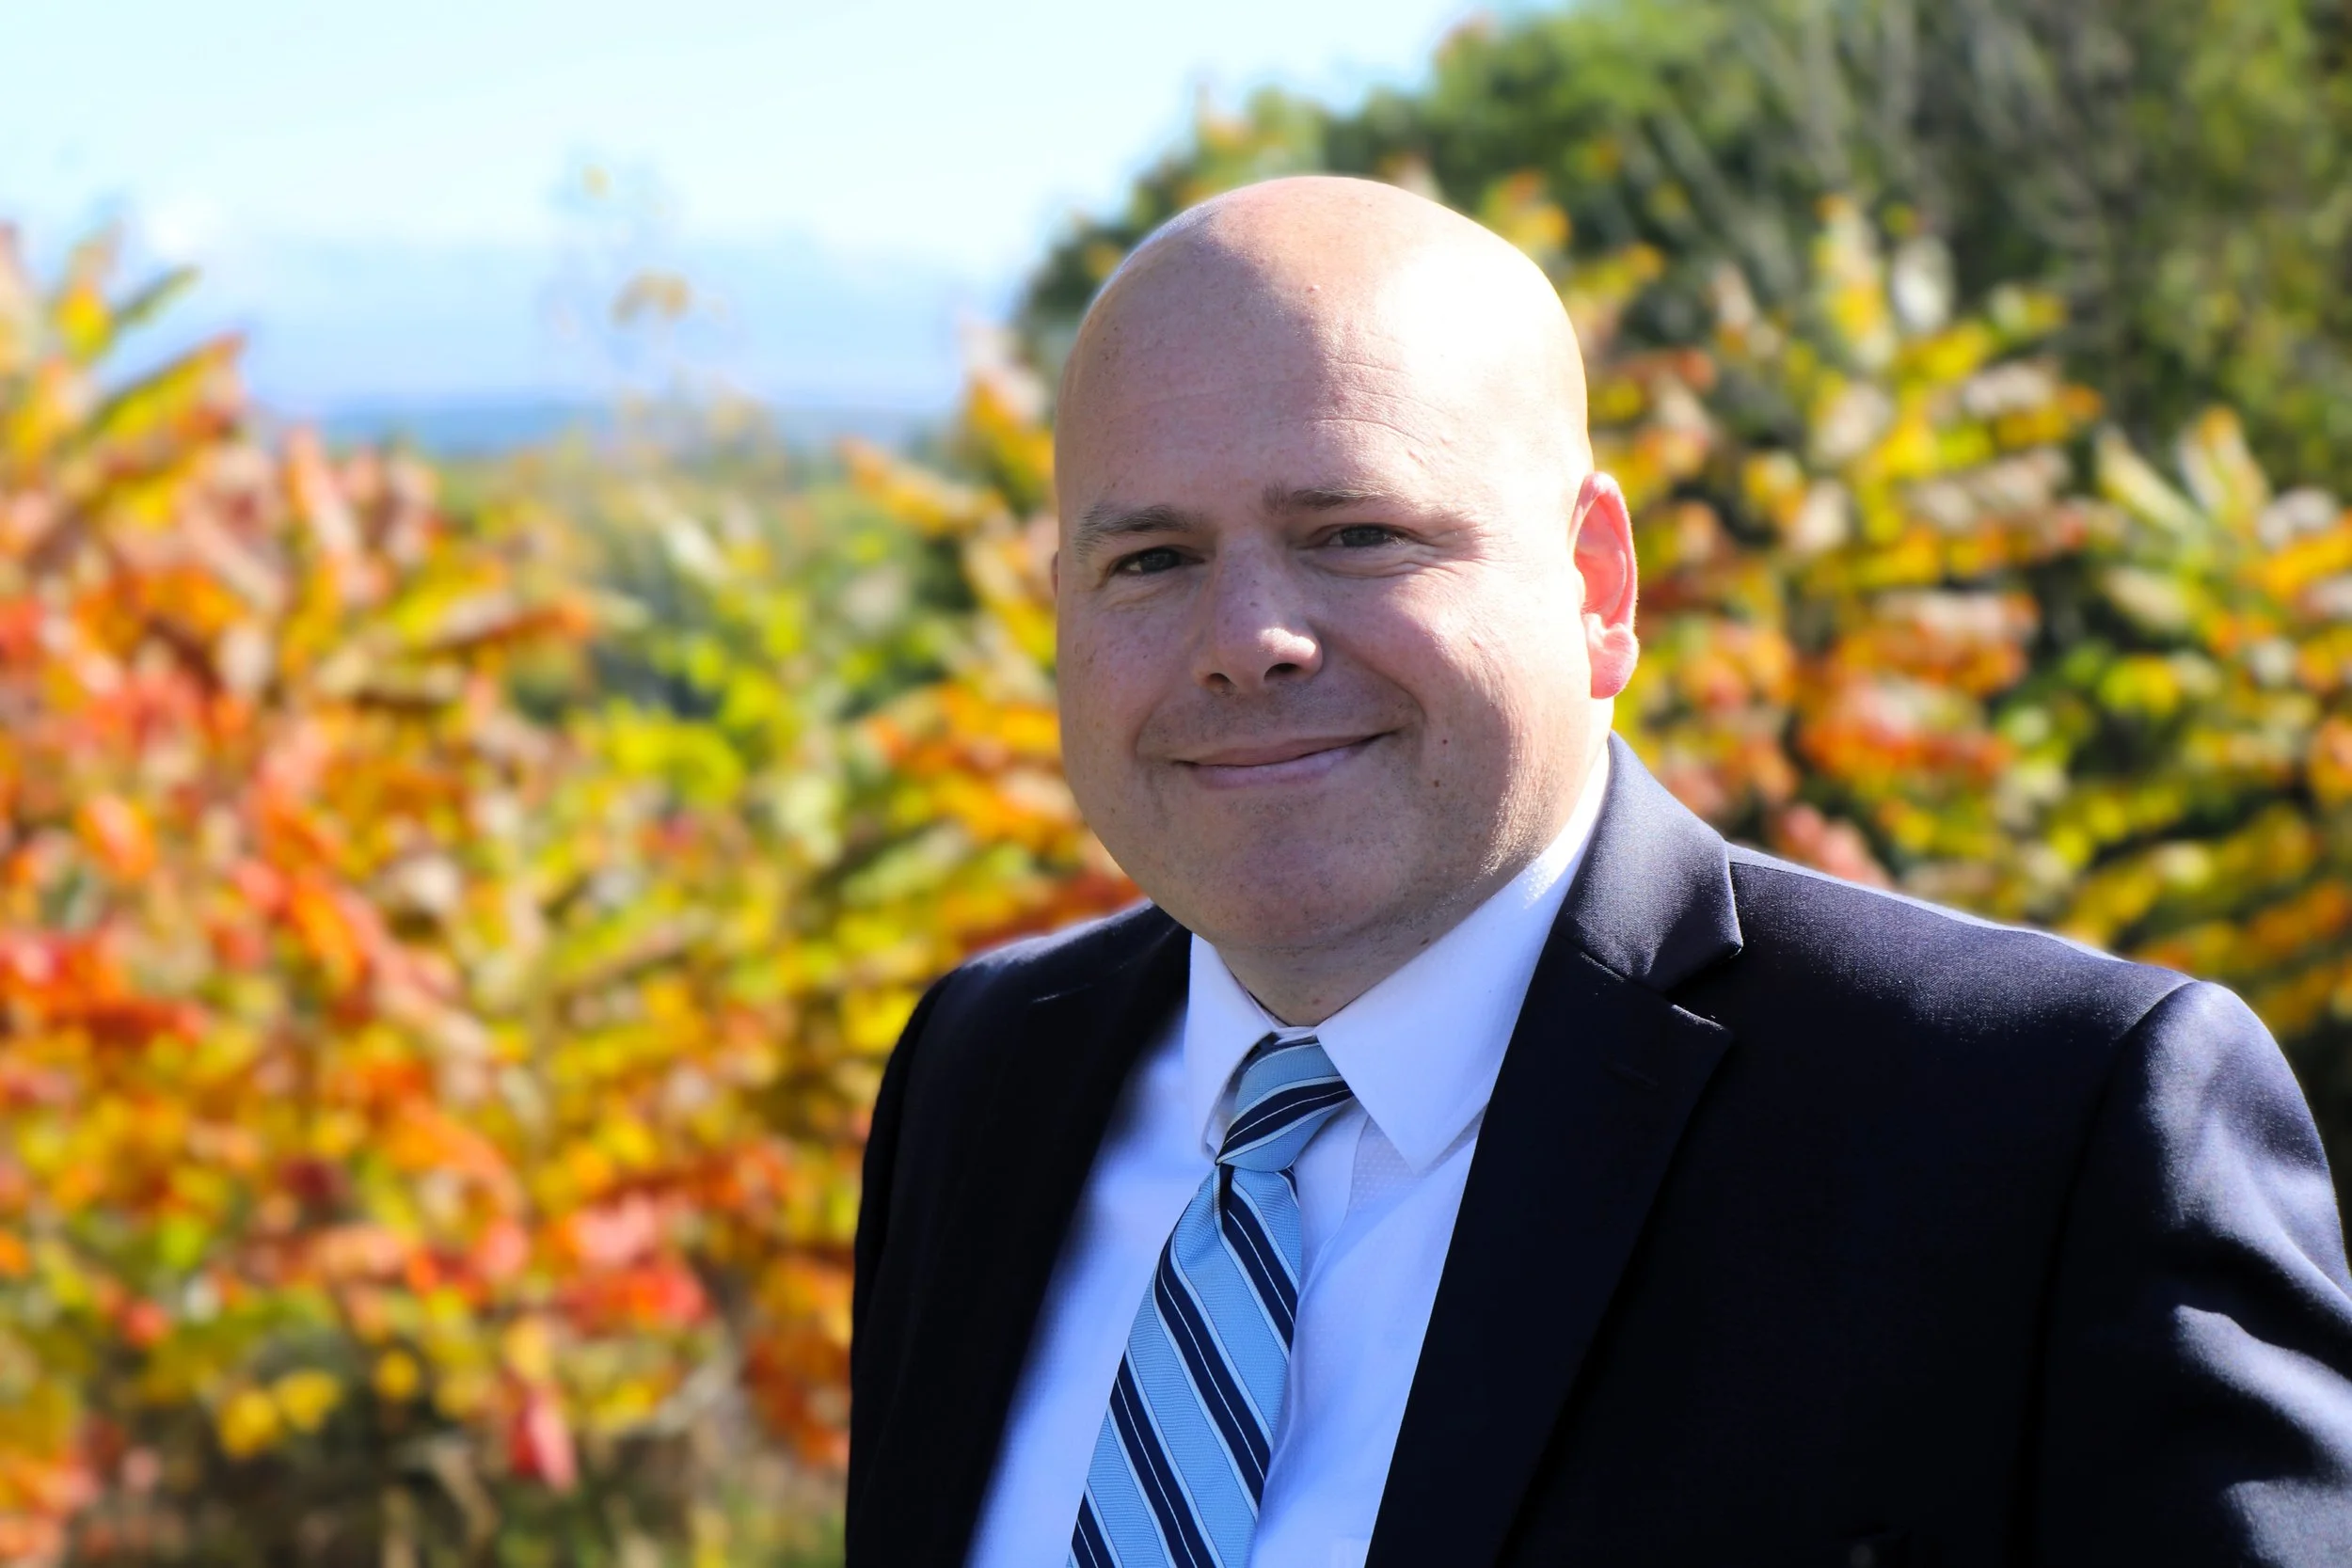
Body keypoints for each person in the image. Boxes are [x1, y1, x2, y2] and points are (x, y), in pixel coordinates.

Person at [846, 175, 2352, 1567]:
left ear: (1597, 583)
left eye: (1357, 531)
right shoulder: (982, 1077)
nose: (1249, 640)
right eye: (1152, 560)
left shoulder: (2042, 1134)